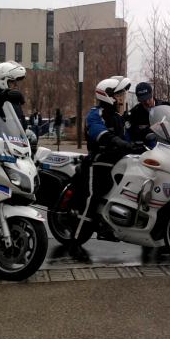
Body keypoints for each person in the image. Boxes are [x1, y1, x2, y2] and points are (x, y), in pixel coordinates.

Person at [66, 76, 143, 262]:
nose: (122, 97)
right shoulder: (96, 113)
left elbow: (129, 138)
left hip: (119, 163)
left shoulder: (118, 117)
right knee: (91, 198)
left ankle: (111, 224)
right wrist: (117, 142)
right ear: (107, 95)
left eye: (123, 93)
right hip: (98, 163)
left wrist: (142, 142)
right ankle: (74, 243)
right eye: (119, 93)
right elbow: (98, 133)